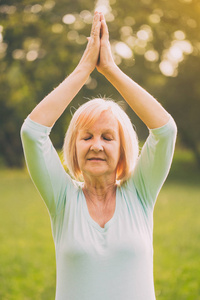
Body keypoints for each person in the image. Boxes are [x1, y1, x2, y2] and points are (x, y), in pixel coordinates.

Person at [21, 11, 177, 300]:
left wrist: (109, 69)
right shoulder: (62, 198)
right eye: (86, 137)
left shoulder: (140, 194)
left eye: (107, 137)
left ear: (122, 149)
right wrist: (83, 69)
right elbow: (32, 132)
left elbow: (165, 131)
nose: (96, 146)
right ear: (74, 147)